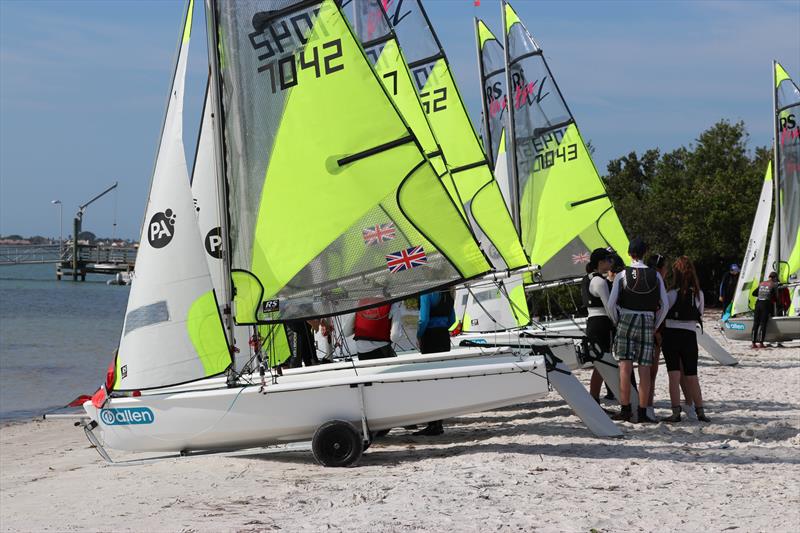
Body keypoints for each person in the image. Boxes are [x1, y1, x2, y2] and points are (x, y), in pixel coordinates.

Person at [607, 237, 668, 423]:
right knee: (644, 368)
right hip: (648, 319)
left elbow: (611, 304)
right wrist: (655, 323)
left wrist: (618, 320)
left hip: (626, 318)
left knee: (625, 367)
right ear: (645, 253)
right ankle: (642, 411)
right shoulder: (655, 275)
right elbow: (664, 305)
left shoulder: (622, 275)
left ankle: (625, 409)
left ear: (629, 253)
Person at [661, 256, 710, 422]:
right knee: (692, 375)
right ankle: (700, 411)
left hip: (671, 335)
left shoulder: (671, 294)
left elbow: (662, 313)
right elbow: (700, 314)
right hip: (689, 336)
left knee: (674, 375)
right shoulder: (699, 294)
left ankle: (675, 412)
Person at [414, 289, 456, 436]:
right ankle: (438, 424)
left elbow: (423, 319)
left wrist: (419, 334)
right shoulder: (449, 293)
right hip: (444, 337)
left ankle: (433, 424)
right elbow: (452, 320)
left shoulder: (426, 292)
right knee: (440, 380)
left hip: (430, 337)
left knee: (429, 380)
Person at [582, 249, 614, 404]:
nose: (611, 262)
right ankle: (593, 398)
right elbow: (609, 307)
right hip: (602, 322)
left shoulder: (587, 279)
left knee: (600, 363)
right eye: (608, 259)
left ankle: (595, 398)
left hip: (592, 322)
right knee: (602, 363)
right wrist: (617, 322)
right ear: (600, 262)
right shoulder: (600, 281)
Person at [644, 253, 668, 421]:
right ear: (660, 268)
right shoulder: (658, 280)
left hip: (639, 324)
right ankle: (648, 405)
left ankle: (642, 404)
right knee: (651, 372)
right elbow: (662, 307)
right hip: (653, 328)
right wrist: (657, 330)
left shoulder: (643, 278)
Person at [751, 272, 779, 348]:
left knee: (756, 323)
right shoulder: (774, 285)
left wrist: (761, 294)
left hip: (758, 303)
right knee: (763, 324)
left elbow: (753, 293)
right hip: (765, 304)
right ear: (775, 278)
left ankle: (753, 343)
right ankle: (761, 343)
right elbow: (776, 298)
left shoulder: (762, 283)